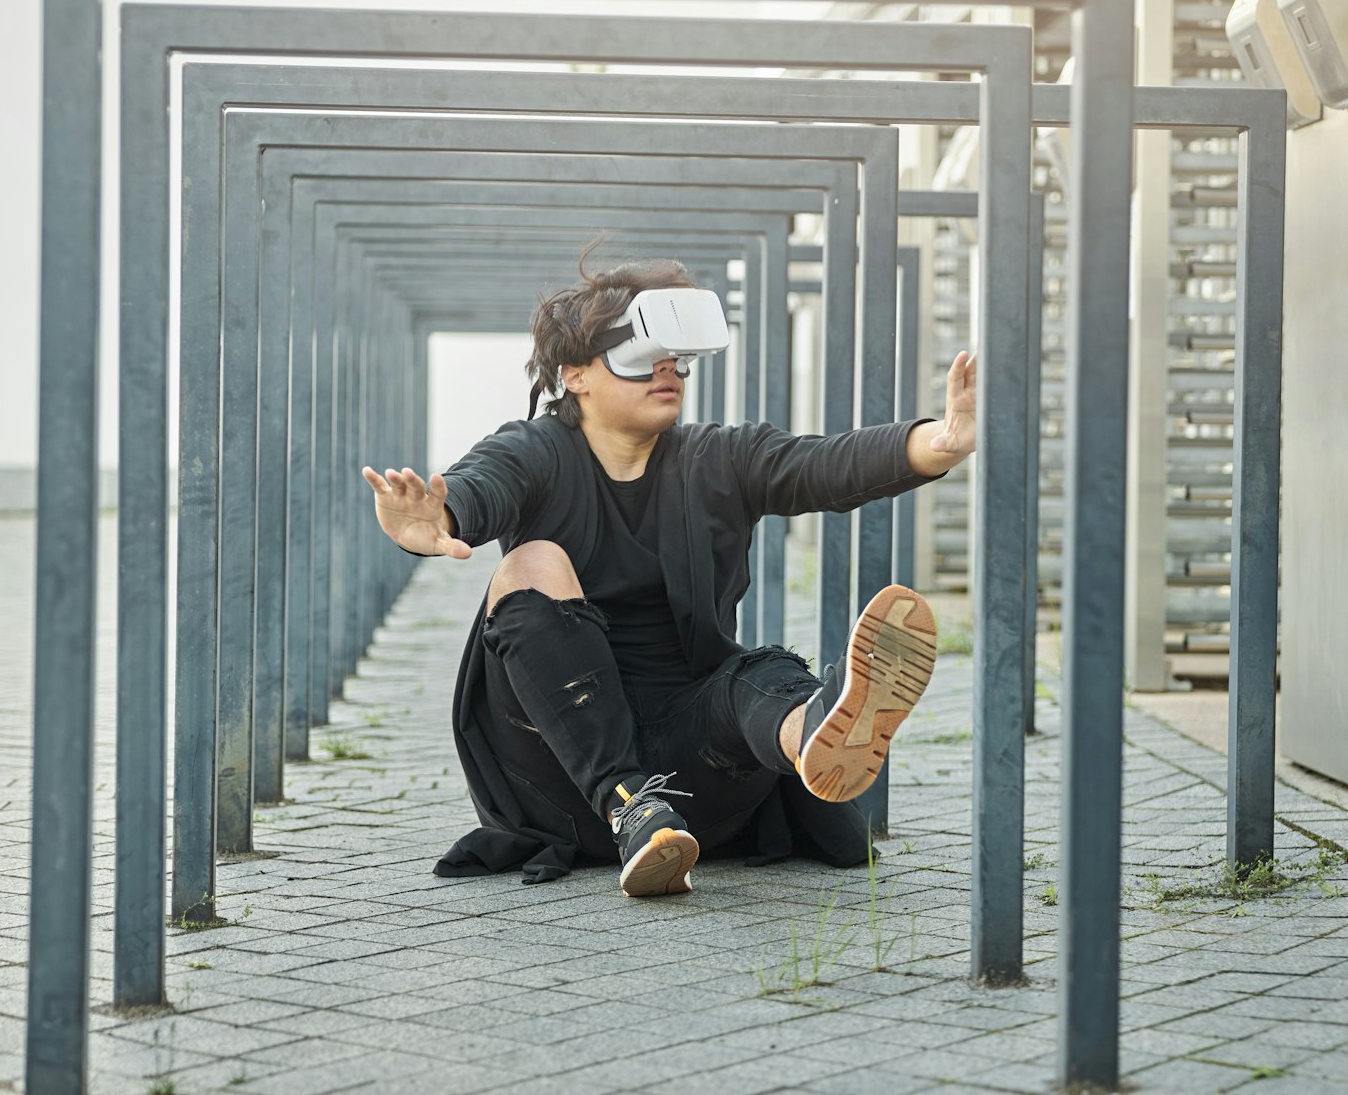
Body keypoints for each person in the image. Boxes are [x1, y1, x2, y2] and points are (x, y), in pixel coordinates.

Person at [361, 251, 976, 896]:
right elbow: (482, 484)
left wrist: (936, 442)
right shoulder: (536, 451)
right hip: (564, 780)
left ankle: (818, 736)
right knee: (531, 562)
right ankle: (631, 807)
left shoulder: (717, 459)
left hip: (695, 781)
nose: (665, 371)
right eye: (636, 355)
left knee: (758, 673)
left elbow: (819, 464)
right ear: (575, 375)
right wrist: (444, 517)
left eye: (674, 358)